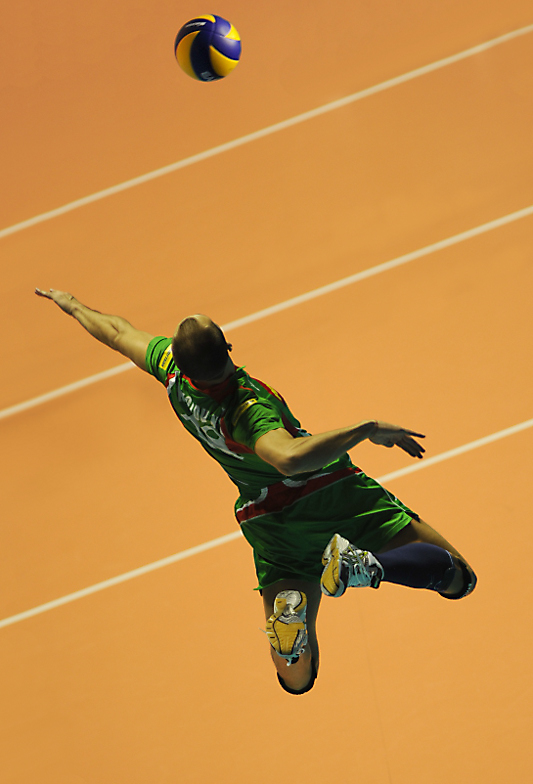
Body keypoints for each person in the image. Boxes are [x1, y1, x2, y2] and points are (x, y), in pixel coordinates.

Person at [35, 288, 477, 695]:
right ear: (229, 347)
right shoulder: (245, 408)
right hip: (330, 496)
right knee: (458, 577)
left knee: (299, 679)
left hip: (267, 523)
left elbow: (117, 331)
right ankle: (366, 567)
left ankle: (290, 644)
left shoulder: (172, 372)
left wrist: (75, 307)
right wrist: (367, 429)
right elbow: (288, 456)